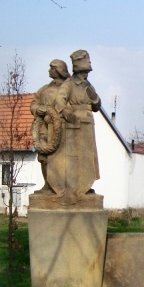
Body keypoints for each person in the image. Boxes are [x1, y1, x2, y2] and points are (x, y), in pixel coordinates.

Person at [54, 49, 101, 204]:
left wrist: (94, 98)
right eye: (84, 71)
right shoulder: (69, 84)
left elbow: (97, 106)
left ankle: (86, 187)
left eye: (87, 72)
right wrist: (66, 110)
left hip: (88, 123)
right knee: (75, 158)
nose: (86, 75)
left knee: (88, 157)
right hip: (75, 125)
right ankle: (75, 189)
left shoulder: (88, 85)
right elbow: (59, 101)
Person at [30, 59, 69, 196]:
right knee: (43, 158)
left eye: (52, 68)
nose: (49, 70)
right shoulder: (44, 89)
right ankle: (47, 185)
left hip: (60, 130)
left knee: (60, 159)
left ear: (59, 70)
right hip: (43, 129)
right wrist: (38, 109)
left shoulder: (67, 88)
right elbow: (34, 103)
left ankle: (60, 186)